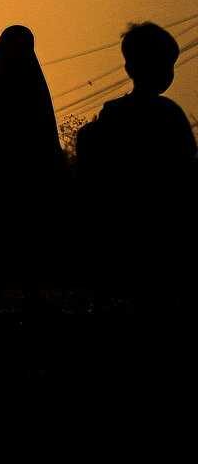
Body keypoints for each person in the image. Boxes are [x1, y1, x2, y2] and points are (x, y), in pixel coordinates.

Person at [77, 22, 196, 311]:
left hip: (119, 220)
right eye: (167, 66)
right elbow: (186, 168)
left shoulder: (112, 114)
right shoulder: (170, 115)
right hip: (159, 220)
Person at [0, 26, 63, 312]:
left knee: (5, 229)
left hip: (7, 169)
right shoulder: (33, 83)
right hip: (27, 170)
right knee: (27, 229)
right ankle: (28, 290)